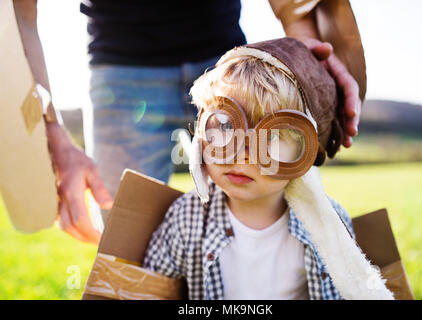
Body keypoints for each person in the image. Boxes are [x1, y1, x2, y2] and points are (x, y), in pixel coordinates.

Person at [12, 0, 362, 244]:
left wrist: (303, 54)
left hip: (228, 63)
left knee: (273, 211)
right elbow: (17, 12)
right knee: (125, 244)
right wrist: (48, 127)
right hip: (120, 73)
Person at [142, 38, 392, 300]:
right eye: (226, 126)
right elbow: (147, 290)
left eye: (272, 136)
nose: (242, 155)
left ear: (306, 154)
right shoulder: (185, 219)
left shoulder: (329, 228)